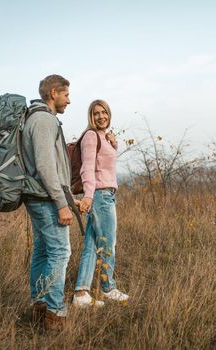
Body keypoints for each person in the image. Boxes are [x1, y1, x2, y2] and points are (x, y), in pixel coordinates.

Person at [22, 74, 73, 331]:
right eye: (66, 95)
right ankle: (55, 314)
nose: (69, 100)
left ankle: (40, 307)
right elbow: (44, 166)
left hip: (39, 197)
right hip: (46, 198)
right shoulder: (43, 120)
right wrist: (61, 203)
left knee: (43, 252)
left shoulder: (37, 118)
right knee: (60, 252)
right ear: (53, 93)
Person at [72, 99, 129, 307]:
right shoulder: (90, 136)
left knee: (92, 243)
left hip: (106, 195)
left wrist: (114, 144)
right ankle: (108, 288)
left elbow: (105, 165)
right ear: (90, 116)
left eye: (104, 112)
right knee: (107, 243)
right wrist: (88, 196)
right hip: (100, 196)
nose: (101, 116)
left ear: (109, 114)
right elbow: (87, 169)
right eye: (96, 113)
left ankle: (81, 293)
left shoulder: (105, 137)